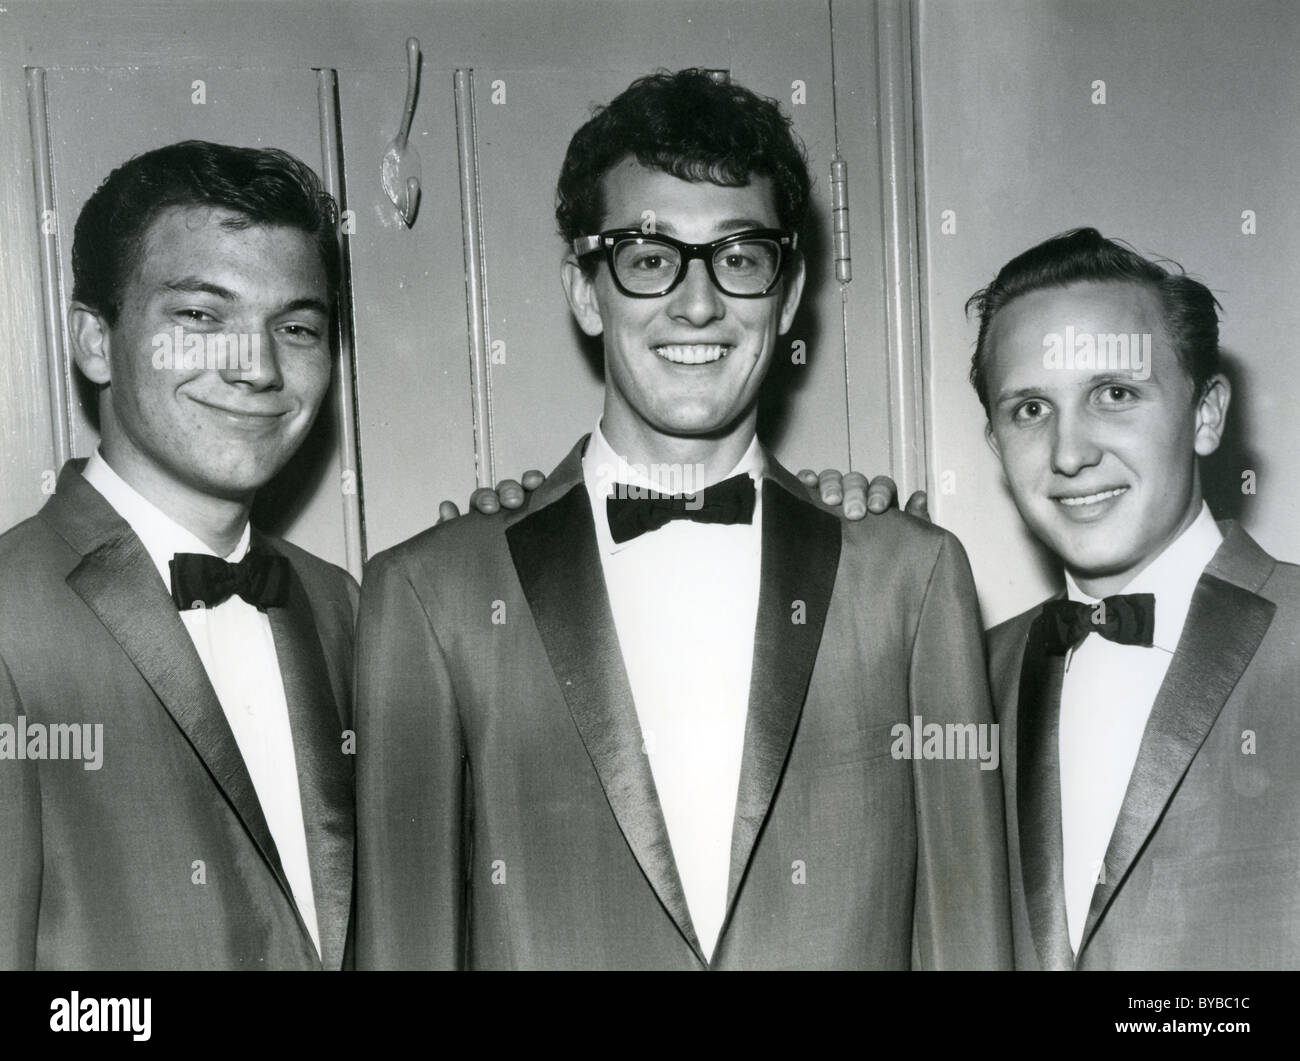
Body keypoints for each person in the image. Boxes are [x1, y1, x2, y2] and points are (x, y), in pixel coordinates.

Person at [355, 69, 1011, 970]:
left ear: (785, 296)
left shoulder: (910, 577)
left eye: (740, 257)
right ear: (587, 291)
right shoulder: (433, 593)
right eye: (648, 255)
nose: (697, 303)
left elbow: (970, 945)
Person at [809, 229, 1300, 969]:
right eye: (1031, 410)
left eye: (1115, 394)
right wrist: (828, 587)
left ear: (1206, 414)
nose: (1070, 453)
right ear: (995, 442)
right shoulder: (963, 681)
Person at [0, 141, 357, 970]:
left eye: (296, 326)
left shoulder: (348, 606)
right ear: (95, 341)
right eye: (201, 316)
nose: (259, 367)